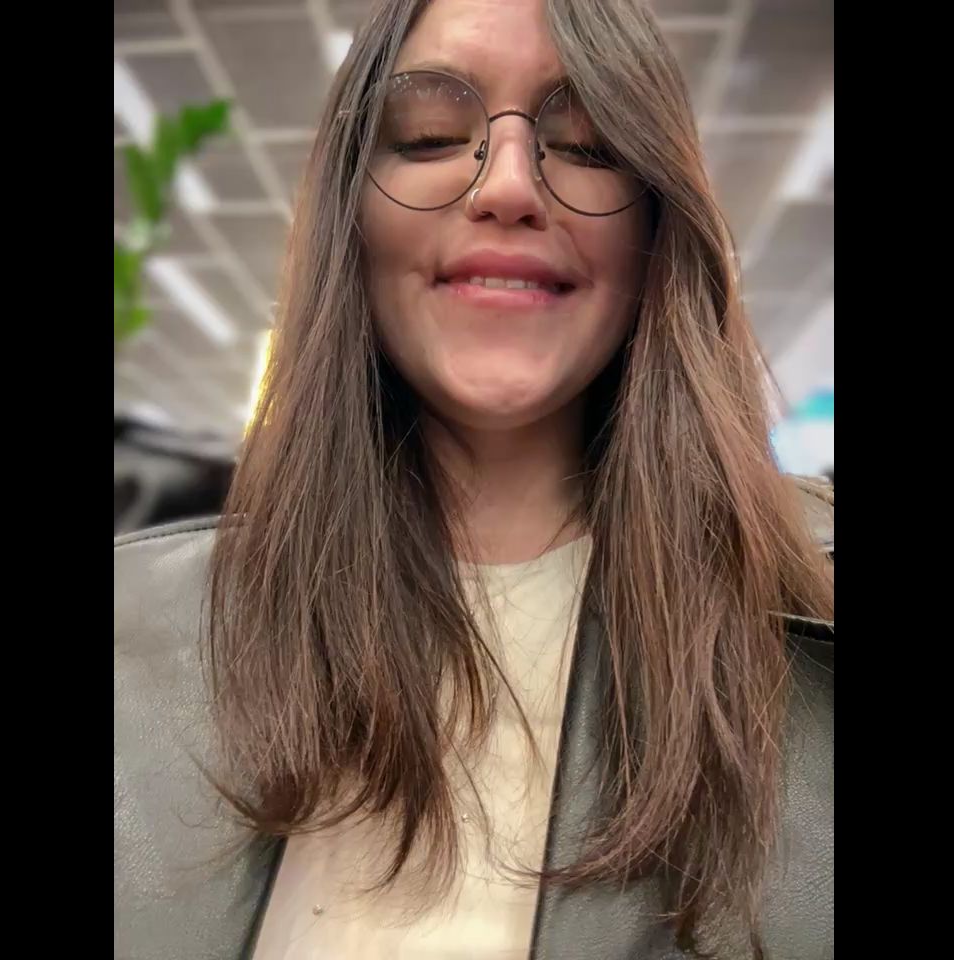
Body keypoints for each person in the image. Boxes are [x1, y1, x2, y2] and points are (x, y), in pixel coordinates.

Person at [113, 1, 834, 958]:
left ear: (658, 222)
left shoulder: (811, 634)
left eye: (587, 145)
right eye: (428, 135)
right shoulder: (132, 636)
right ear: (350, 212)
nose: (508, 186)